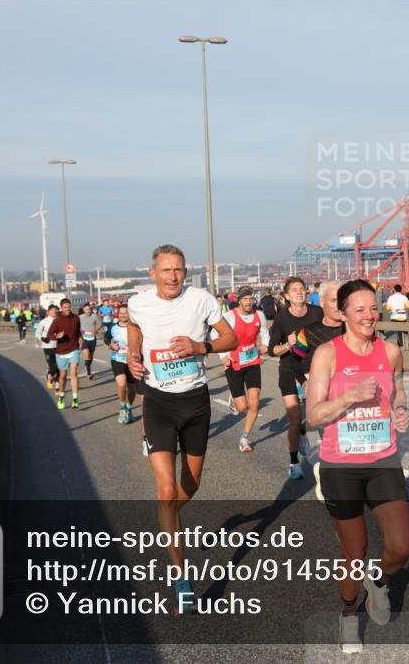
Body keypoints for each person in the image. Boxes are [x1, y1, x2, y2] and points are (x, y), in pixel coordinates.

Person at [127, 244, 237, 609]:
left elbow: (230, 339)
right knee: (165, 488)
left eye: (179, 270)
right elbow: (133, 327)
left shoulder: (200, 299)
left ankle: (168, 518)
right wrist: (133, 356)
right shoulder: (139, 303)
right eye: (166, 270)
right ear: (152, 273)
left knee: (188, 487)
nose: (173, 276)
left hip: (195, 403)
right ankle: (180, 578)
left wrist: (199, 346)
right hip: (158, 402)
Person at [305, 279, 409, 654]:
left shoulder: (391, 350)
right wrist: (349, 395)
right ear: (343, 314)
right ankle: (349, 613)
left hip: (383, 459)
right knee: (356, 551)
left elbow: (396, 388)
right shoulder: (327, 355)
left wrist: (400, 410)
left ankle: (378, 583)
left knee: (400, 547)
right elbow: (313, 416)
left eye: (372, 308)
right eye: (359, 309)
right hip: (341, 466)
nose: (369, 315)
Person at [268, 276, 323, 479]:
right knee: (293, 418)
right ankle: (293, 462)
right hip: (289, 370)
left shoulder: (317, 312)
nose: (300, 292)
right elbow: (272, 350)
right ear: (286, 295)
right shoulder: (282, 318)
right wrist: (289, 345)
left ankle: (302, 432)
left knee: (316, 418)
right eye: (294, 290)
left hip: (313, 369)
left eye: (302, 289)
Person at [215, 286, 270, 452]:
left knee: (254, 404)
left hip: (252, 361)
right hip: (234, 363)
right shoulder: (229, 316)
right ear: (239, 300)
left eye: (250, 298)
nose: (248, 302)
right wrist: (223, 355)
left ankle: (244, 438)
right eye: (245, 299)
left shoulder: (259, 315)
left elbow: (265, 332)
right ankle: (234, 398)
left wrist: (265, 345)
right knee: (242, 408)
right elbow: (214, 335)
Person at [46, 298, 83, 410]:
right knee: (62, 376)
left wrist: (80, 338)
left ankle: (75, 399)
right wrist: (57, 336)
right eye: (65, 307)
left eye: (69, 307)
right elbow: (49, 335)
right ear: (61, 308)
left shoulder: (76, 318)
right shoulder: (57, 320)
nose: (67, 309)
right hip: (61, 351)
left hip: (74, 349)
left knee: (74, 373)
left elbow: (77, 331)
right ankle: (62, 395)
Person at [106, 304, 139, 424]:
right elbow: (107, 338)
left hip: (132, 360)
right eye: (121, 313)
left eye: (125, 312)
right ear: (117, 314)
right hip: (117, 359)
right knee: (121, 384)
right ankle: (122, 407)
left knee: (132, 388)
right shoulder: (112, 327)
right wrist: (110, 345)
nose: (123, 315)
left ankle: (129, 408)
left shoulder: (135, 327)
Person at [36, 304, 59, 390]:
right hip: (47, 346)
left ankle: (57, 383)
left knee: (59, 366)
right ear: (48, 312)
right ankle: (49, 374)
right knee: (52, 366)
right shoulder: (43, 321)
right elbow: (37, 332)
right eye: (52, 310)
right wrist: (42, 338)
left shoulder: (59, 320)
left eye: (55, 310)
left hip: (59, 346)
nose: (54, 312)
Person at [78, 303, 103, 380]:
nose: (88, 311)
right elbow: (76, 326)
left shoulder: (94, 316)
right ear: (83, 310)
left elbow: (100, 323)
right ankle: (88, 372)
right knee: (86, 353)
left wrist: (95, 330)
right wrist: (79, 334)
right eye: (86, 309)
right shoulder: (80, 317)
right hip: (83, 338)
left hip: (92, 338)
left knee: (91, 355)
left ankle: (87, 366)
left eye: (89, 309)